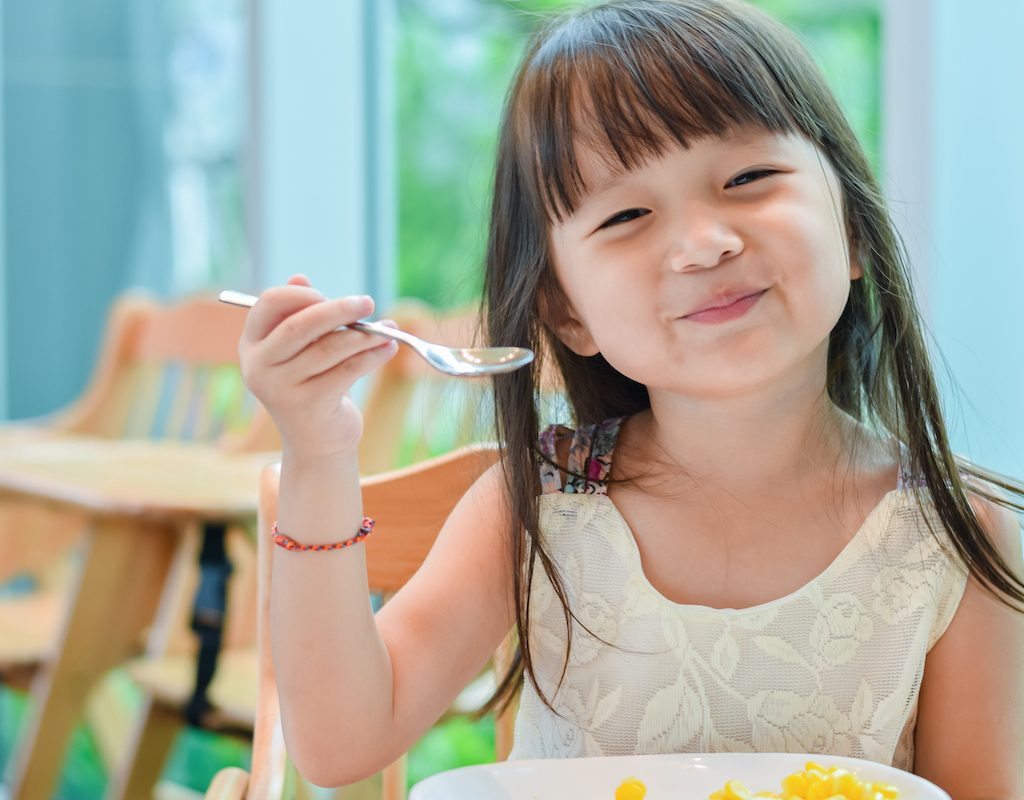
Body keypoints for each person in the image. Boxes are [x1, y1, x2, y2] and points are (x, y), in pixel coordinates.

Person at [237, 0, 1024, 796]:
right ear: (565, 310)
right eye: (627, 215)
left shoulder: (956, 538)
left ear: (853, 230)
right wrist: (317, 452)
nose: (704, 242)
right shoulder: (541, 503)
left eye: (748, 178)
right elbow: (340, 746)